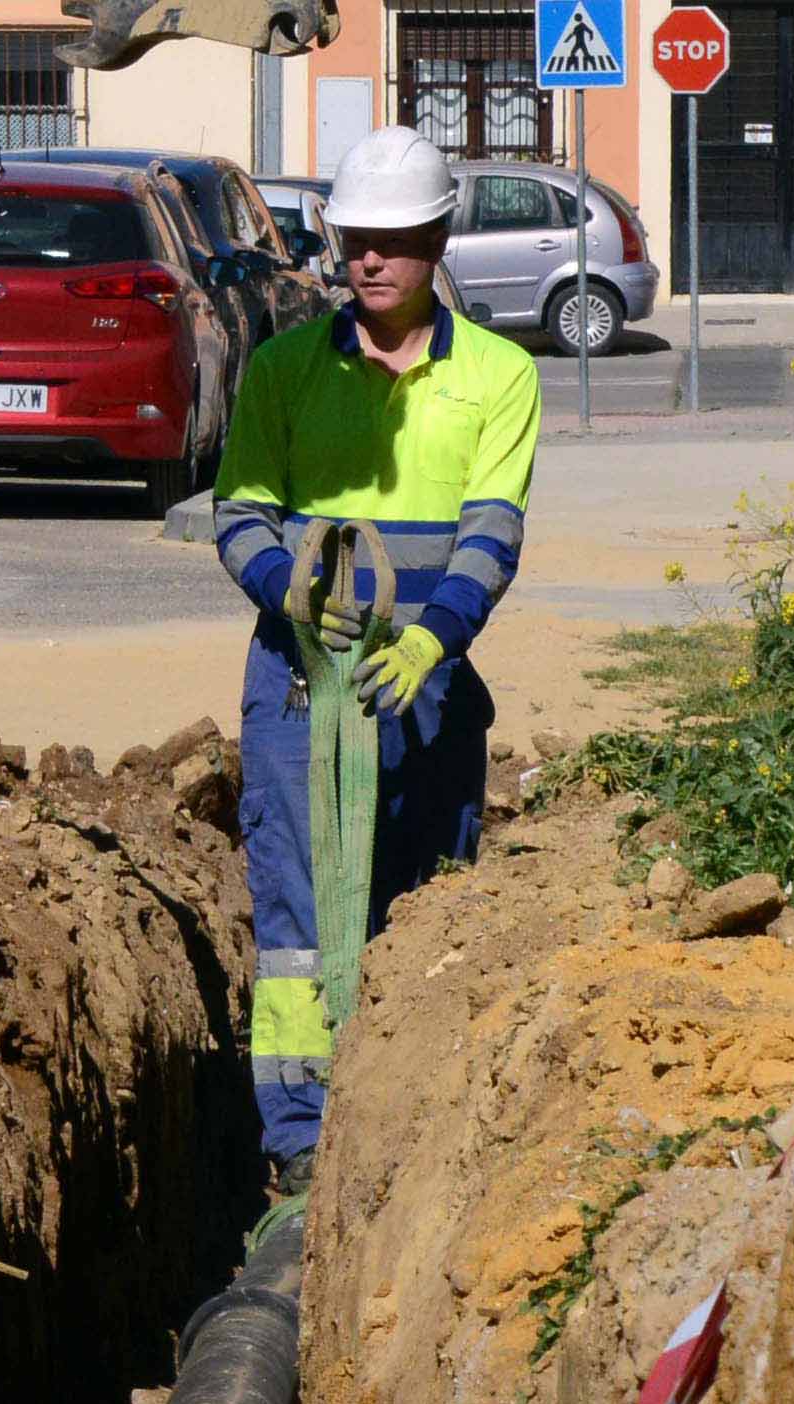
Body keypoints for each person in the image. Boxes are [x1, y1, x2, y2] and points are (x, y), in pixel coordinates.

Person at [207, 128, 537, 1184]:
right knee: (301, 918)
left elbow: (491, 533)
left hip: (425, 680)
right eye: (356, 240)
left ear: (438, 239)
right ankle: (301, 1145)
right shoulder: (282, 371)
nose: (371, 260)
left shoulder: (498, 374)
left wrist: (433, 638)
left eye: (395, 240)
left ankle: (405, 1131)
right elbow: (242, 513)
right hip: (300, 681)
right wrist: (287, 588)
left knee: (420, 902)